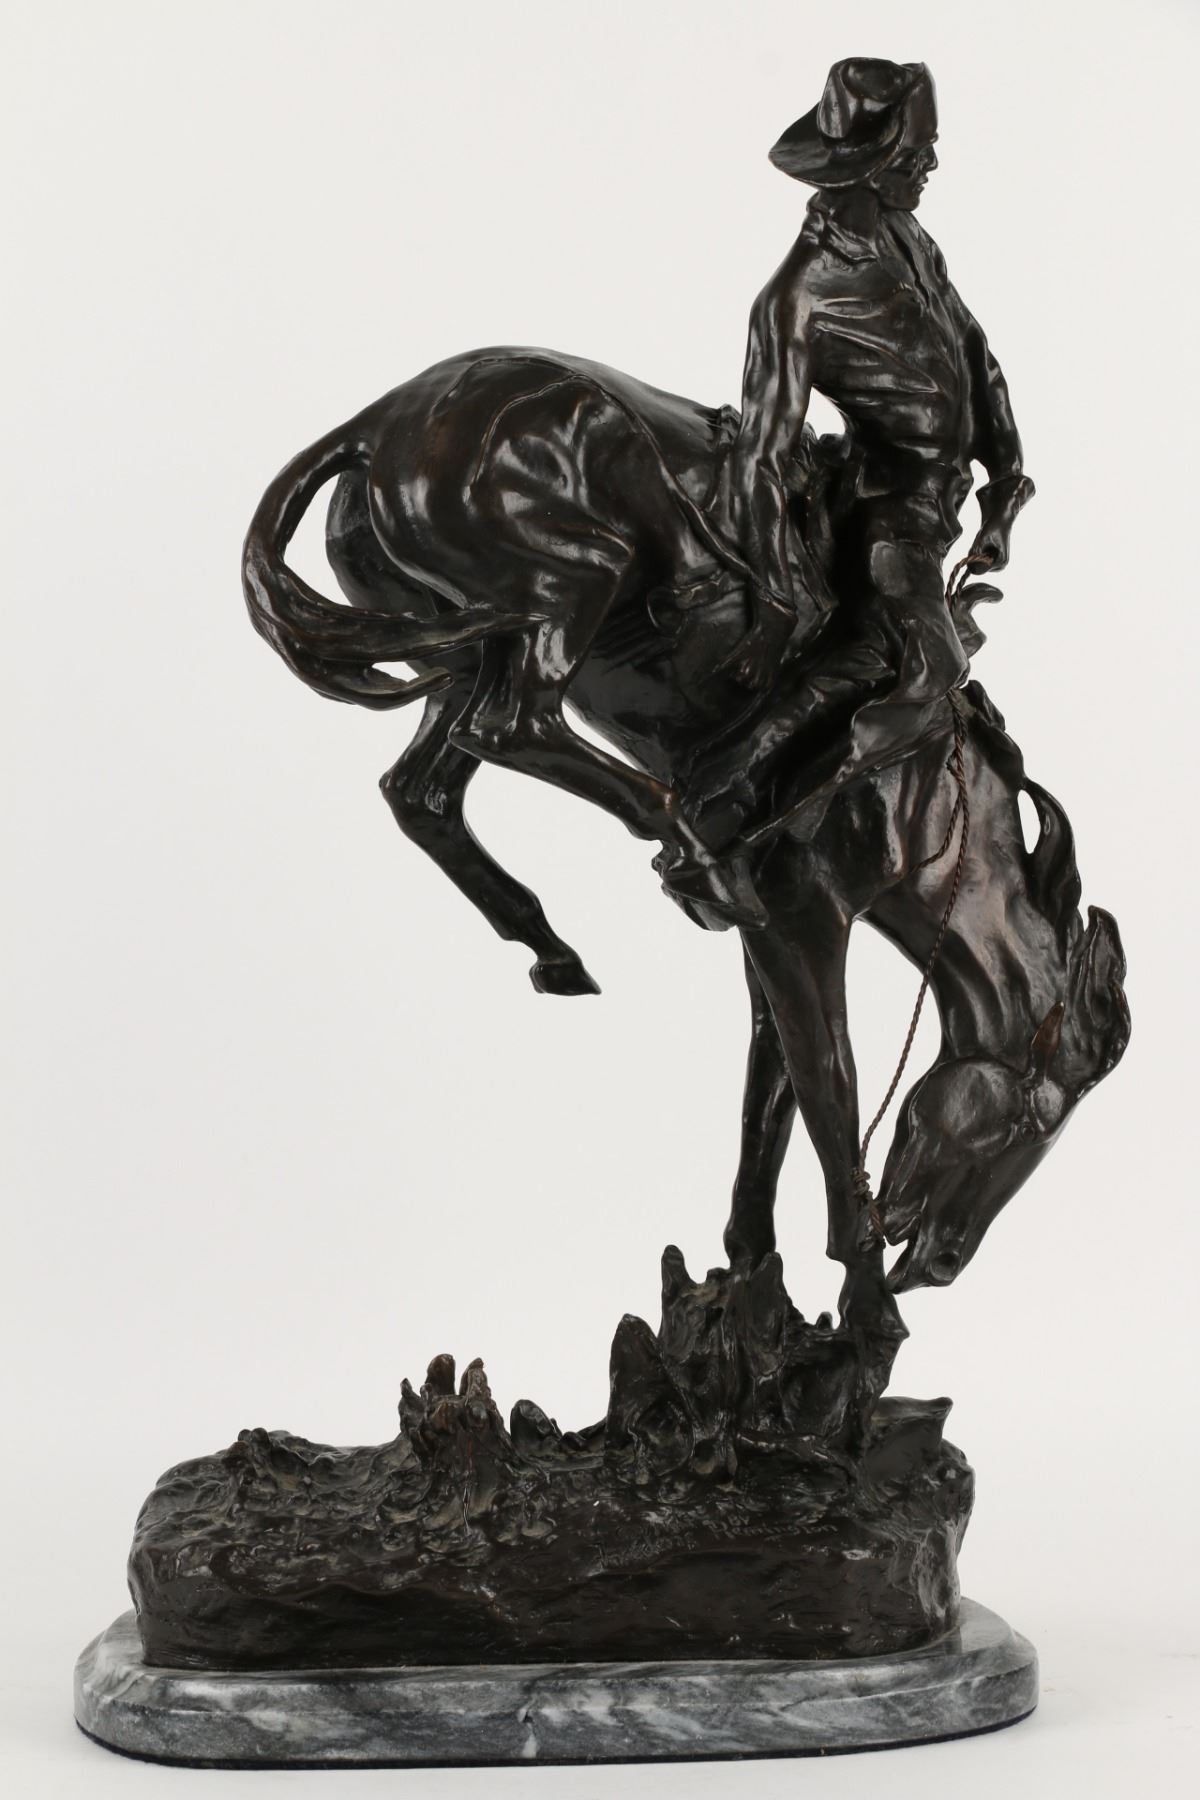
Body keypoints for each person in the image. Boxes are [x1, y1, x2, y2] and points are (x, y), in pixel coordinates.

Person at [686, 58, 1034, 849]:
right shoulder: (796, 298)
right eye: (916, 153)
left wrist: (1005, 483)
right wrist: (776, 604)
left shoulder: (909, 237)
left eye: (929, 147)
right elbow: (760, 459)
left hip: (940, 505)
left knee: (905, 656)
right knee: (930, 667)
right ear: (867, 166)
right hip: (889, 511)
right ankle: (754, 799)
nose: (931, 165)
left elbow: (974, 354)